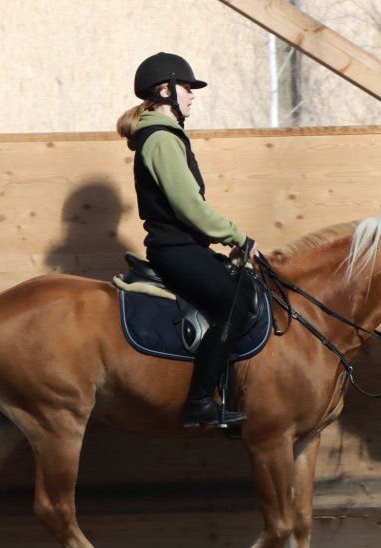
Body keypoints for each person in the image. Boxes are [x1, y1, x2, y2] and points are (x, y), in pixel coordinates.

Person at [116, 52, 260, 429]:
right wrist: (238, 236)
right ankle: (199, 402)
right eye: (187, 88)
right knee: (236, 306)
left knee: (247, 287)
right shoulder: (161, 139)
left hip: (186, 247)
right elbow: (189, 208)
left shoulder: (167, 136)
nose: (193, 96)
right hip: (175, 249)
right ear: (165, 91)